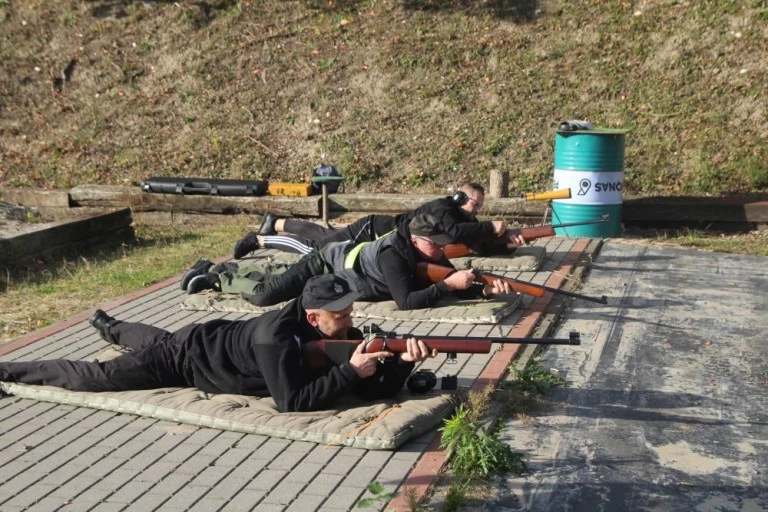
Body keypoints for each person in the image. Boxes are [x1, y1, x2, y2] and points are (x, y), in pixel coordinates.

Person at [0, 275, 437, 413]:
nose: (349, 322)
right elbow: (292, 402)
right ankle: (9, 369)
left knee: (150, 339)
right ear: (311, 316)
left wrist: (402, 362)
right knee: (101, 376)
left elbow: (370, 386)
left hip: (211, 338)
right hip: (189, 359)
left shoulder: (335, 331)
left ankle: (108, 323)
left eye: (349, 312)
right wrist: (348, 371)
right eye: (340, 315)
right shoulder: (275, 338)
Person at [186, 212, 514, 310]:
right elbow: (407, 301)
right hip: (327, 264)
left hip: (343, 281)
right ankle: (218, 275)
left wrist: (481, 290)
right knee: (265, 296)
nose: (442, 250)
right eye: (435, 245)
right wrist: (447, 284)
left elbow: (449, 283)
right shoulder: (394, 254)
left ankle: (230, 271)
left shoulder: (428, 252)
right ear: (415, 240)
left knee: (278, 280)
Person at [232, 182, 527, 258]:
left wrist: (506, 246)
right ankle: (260, 239)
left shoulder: (459, 218)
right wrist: (490, 227)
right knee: (318, 250)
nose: (477, 211)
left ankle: (277, 223)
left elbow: (472, 242)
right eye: (476, 204)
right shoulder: (443, 210)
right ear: (461, 199)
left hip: (376, 232)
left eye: (480, 207)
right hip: (371, 231)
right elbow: (458, 231)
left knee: (324, 235)